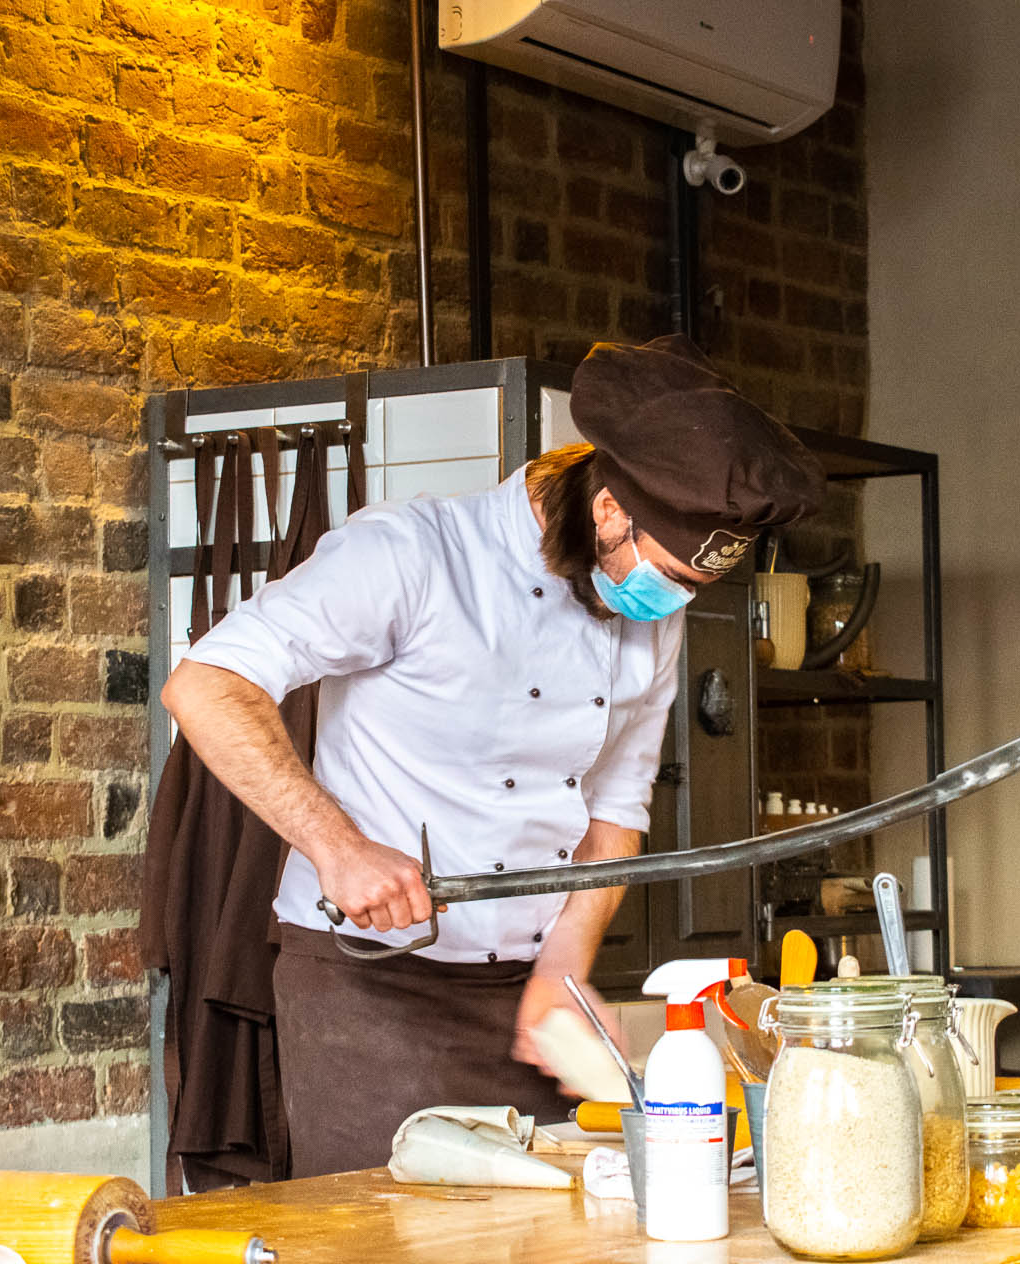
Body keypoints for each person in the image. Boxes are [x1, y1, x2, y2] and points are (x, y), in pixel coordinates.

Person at [160, 334, 824, 1175]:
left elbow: (618, 812)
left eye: (689, 590)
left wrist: (563, 967)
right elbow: (206, 685)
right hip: (372, 992)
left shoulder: (656, 617)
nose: (669, 604)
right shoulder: (414, 555)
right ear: (610, 509)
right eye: (664, 576)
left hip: (526, 1001)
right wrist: (337, 846)